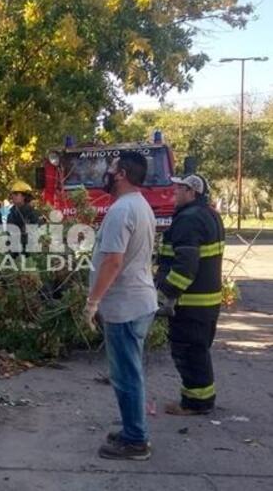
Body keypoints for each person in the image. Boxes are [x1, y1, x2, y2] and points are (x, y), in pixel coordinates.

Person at [84, 152, 157, 461]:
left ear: (122, 173)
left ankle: (135, 440)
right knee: (130, 371)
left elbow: (113, 262)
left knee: (126, 375)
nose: (107, 173)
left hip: (125, 305)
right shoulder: (140, 205)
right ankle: (132, 429)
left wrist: (92, 301)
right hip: (138, 301)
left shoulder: (121, 210)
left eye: (111, 168)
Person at [156, 174, 224, 416]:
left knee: (188, 351)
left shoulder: (188, 220)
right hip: (208, 301)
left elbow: (185, 265)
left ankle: (195, 404)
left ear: (192, 193)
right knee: (199, 350)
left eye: (180, 188)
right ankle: (201, 398)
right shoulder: (210, 215)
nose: (174, 190)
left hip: (190, 302)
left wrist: (167, 294)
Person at [6, 180, 41, 254]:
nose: (13, 196)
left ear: (24, 196)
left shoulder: (33, 214)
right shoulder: (11, 213)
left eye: (16, 194)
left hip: (28, 254)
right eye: (12, 194)